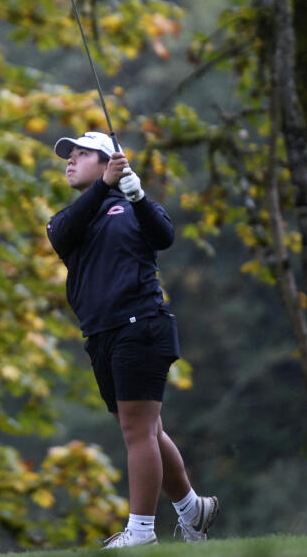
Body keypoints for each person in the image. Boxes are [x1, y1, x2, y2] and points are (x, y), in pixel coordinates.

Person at [46, 132, 219, 548]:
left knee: (138, 431)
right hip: (102, 335)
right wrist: (105, 185)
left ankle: (141, 532)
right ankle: (192, 508)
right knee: (149, 429)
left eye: (80, 154)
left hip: (141, 325)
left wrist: (138, 196)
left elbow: (164, 236)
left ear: (107, 161)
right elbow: (63, 234)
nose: (70, 160)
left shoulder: (132, 206)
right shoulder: (68, 218)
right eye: (68, 156)